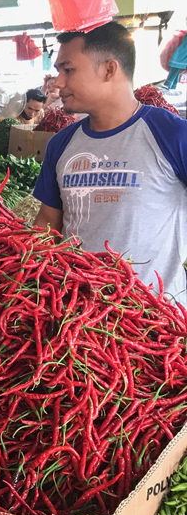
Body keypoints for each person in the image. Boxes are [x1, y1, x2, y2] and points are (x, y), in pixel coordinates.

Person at [33, 22, 187, 304]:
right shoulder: (61, 144)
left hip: (157, 326)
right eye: (58, 71)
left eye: (68, 70)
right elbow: (48, 224)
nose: (58, 83)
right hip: (80, 321)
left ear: (109, 69)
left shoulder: (173, 135)